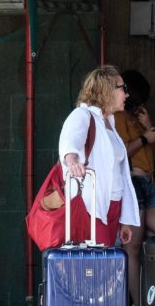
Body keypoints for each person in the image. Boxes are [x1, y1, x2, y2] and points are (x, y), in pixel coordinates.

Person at [114, 70, 155, 306]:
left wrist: (149, 129)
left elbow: (154, 153)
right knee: (133, 249)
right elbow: (120, 153)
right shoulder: (116, 117)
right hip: (132, 183)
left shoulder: (137, 118)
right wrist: (144, 137)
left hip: (148, 184)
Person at [59, 65, 140, 248]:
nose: (126, 95)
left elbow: (119, 173)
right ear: (107, 89)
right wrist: (72, 161)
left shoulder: (109, 122)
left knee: (106, 263)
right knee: (98, 266)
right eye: (123, 88)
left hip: (113, 206)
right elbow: (70, 141)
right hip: (92, 206)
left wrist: (124, 219)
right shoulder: (82, 114)